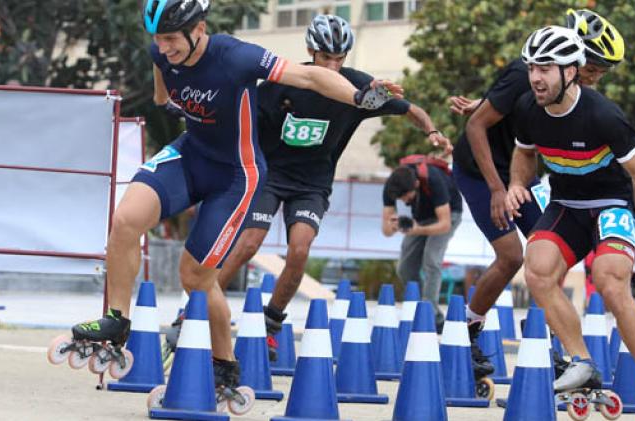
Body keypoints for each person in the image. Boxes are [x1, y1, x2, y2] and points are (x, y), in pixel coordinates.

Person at [64, 0, 402, 399]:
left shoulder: (236, 55)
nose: (164, 46)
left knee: (196, 277)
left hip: (236, 176)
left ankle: (224, 365)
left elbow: (309, 78)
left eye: (171, 38)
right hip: (191, 154)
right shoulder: (162, 50)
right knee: (125, 221)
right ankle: (117, 321)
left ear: (200, 29)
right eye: (158, 38)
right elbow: (161, 87)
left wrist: (360, 96)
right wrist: (166, 100)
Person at [211, 14, 450, 359]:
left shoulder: (354, 88)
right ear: (311, 51)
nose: (333, 66)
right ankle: (199, 305)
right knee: (249, 242)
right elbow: (241, 116)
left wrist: (431, 131)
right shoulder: (286, 80)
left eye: (339, 59)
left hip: (312, 183)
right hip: (271, 175)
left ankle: (271, 326)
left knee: (299, 251)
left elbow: (410, 108)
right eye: (326, 58)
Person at [449, 7, 626, 376]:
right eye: (592, 69)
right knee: (511, 256)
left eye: (599, 74)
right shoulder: (524, 72)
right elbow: (476, 129)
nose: (594, 79)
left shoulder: (571, 88)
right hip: (481, 173)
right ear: (573, 59)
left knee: (549, 252)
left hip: (519, 173)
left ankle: (554, 347)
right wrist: (498, 190)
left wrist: (482, 104)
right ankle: (466, 332)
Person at [507, 25, 635, 393]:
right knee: (538, 268)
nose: (535, 77)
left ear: (570, 71)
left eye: (545, 68)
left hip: (612, 204)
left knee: (611, 282)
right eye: (532, 67)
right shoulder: (528, 108)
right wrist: (517, 183)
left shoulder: (603, 115)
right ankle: (581, 361)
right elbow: (524, 153)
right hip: (567, 204)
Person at [381, 160, 463, 331]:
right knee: (405, 268)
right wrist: (393, 225)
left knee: (431, 260)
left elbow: (445, 224)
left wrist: (418, 230)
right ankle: (420, 308)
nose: (403, 201)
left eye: (407, 196)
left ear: (416, 184)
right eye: (400, 198)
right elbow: (386, 232)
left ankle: (432, 315)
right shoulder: (392, 186)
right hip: (421, 218)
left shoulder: (434, 180)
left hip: (448, 215)